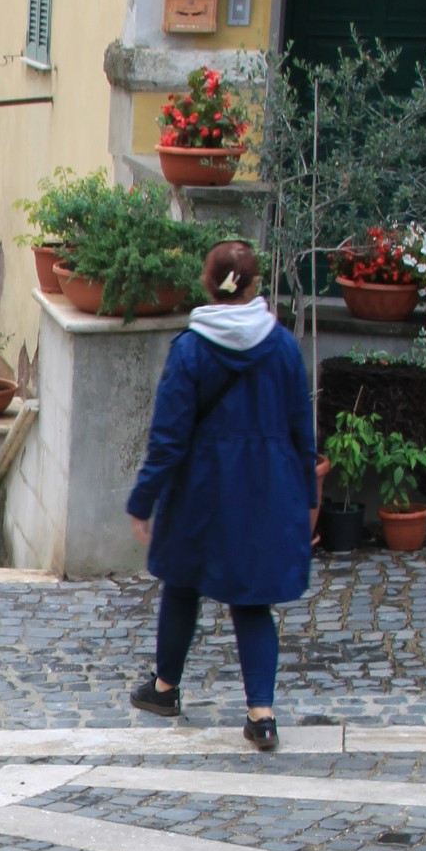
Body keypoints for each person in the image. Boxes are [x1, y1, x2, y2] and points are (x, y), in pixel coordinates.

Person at [125, 238, 315, 754]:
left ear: (207, 285)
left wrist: (144, 499)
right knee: (252, 600)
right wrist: (310, 496)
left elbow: (167, 437)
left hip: (201, 489)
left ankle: (165, 689)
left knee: (182, 584)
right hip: (265, 490)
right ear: (254, 286)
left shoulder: (191, 349)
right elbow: (303, 430)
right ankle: (262, 714)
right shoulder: (283, 347)